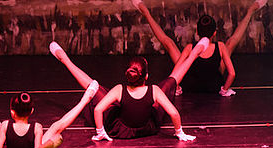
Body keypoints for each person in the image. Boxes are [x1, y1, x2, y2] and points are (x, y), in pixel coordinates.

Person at [50, 40, 206, 140]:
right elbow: (174, 113)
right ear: (146, 76)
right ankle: (194, 54)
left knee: (94, 86)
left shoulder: (119, 89)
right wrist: (179, 133)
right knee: (170, 82)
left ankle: (64, 59)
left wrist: (100, 132)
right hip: (146, 128)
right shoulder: (154, 90)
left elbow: (98, 110)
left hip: (121, 130)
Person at [131, 0, 267, 95]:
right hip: (214, 86)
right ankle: (251, 9)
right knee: (231, 42)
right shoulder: (220, 46)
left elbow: (176, 71)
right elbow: (232, 73)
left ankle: (145, 11)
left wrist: (177, 87)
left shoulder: (190, 47)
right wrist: (224, 90)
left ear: (197, 32)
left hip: (190, 85)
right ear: (215, 33)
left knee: (169, 44)